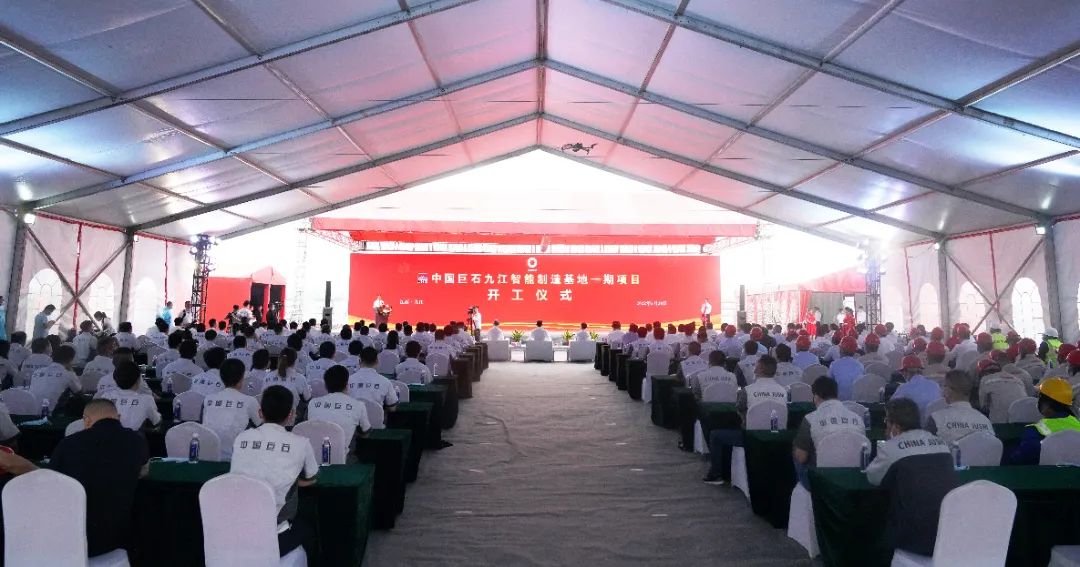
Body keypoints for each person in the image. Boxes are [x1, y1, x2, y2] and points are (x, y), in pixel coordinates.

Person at [0, 399, 150, 558]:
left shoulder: (69, 444)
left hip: (71, 539)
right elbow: (144, 471)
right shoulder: (137, 441)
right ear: (118, 417)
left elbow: (50, 480)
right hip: (117, 538)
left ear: (87, 421)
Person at [229, 386, 318, 557]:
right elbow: (311, 477)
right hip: (273, 538)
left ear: (260, 413)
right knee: (310, 528)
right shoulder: (301, 443)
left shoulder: (242, 438)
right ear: (291, 415)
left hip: (236, 528)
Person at [864, 398, 957, 558]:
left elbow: (873, 478)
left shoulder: (891, 448)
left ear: (895, 426)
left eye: (886, 422)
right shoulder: (942, 443)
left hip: (914, 536)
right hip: (948, 530)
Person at [703, 355, 784, 484]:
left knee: (715, 435)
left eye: (756, 366)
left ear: (759, 370)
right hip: (776, 435)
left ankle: (716, 473)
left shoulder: (747, 391)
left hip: (750, 437)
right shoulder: (783, 391)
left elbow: (739, 409)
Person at [792, 377, 865, 488]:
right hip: (854, 480)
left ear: (816, 396)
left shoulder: (810, 419)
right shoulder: (858, 418)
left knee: (797, 452)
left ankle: (804, 491)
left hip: (822, 482)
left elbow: (801, 457)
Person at [1007, 377, 1080, 464]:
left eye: (1040, 399)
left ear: (1047, 405)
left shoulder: (1035, 431)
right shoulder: (1077, 424)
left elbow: (1022, 458)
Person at [202, 358, 262, 460]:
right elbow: (260, 424)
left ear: (221, 377)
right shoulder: (250, 401)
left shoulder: (208, 399)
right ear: (242, 378)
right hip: (235, 458)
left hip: (208, 456)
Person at [308, 365, 371, 453]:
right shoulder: (359, 405)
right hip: (342, 457)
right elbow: (365, 433)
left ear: (325, 385)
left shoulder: (313, 403)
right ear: (347, 385)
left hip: (314, 456)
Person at [926, 370, 993, 445]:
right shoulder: (986, 421)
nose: (942, 390)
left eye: (944, 386)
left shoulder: (936, 419)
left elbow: (927, 449)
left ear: (948, 390)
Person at [101, 360, 161, 430]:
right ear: (139, 380)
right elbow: (156, 421)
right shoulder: (147, 399)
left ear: (115, 379)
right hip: (134, 436)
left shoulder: (105, 397)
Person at [890, 356, 943, 425]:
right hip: (937, 425)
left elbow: (891, 405)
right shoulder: (935, 385)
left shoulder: (903, 388)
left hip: (916, 427)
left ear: (905, 372)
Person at [30, 344, 81, 412]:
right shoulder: (68, 374)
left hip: (31, 409)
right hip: (51, 411)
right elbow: (79, 392)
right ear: (71, 359)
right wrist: (71, 371)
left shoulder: (37, 371)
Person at [347, 347, 399, 411]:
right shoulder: (385, 382)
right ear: (377, 361)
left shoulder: (348, 381)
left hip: (352, 416)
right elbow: (392, 408)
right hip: (377, 417)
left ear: (359, 361)